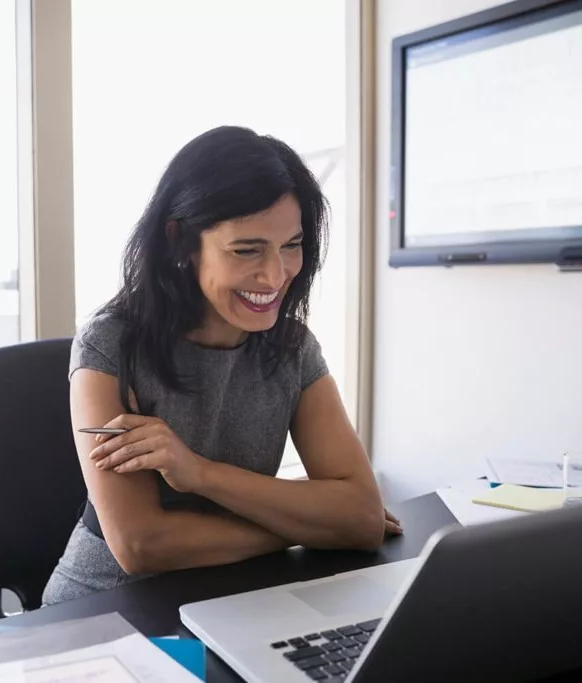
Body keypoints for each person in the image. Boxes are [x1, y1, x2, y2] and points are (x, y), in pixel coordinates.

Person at [42, 126, 399, 606]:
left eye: (291, 245)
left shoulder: (293, 347)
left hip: (237, 599)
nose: (275, 276)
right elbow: (141, 545)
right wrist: (306, 525)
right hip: (106, 607)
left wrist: (200, 473)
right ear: (180, 242)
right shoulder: (110, 344)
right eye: (247, 249)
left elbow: (359, 516)